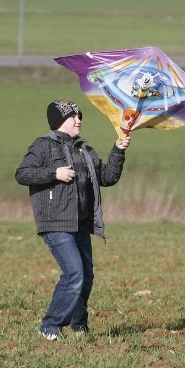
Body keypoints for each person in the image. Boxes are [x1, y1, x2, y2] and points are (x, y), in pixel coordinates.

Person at [15, 99, 130, 341]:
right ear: (59, 121)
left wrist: (118, 150)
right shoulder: (43, 146)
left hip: (81, 223)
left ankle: (79, 326)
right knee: (74, 273)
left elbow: (107, 178)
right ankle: (50, 326)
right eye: (73, 116)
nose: (78, 120)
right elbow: (22, 174)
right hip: (55, 223)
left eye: (80, 116)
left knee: (86, 276)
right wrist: (54, 173)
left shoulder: (85, 150)